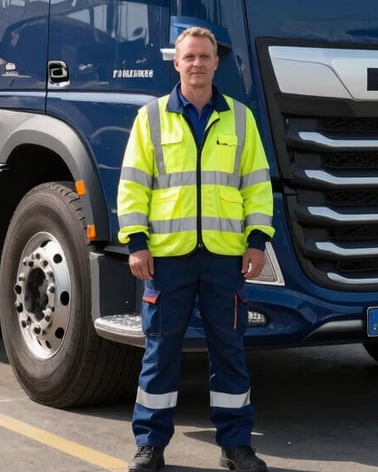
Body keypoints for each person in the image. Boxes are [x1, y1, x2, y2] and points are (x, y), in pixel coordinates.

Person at [117, 27, 275, 472]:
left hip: (225, 258)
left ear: (216, 63)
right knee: (160, 351)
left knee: (229, 350)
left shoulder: (240, 119)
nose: (197, 64)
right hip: (168, 259)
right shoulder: (151, 118)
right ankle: (150, 445)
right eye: (189, 57)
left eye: (204, 57)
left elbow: (257, 186)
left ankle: (236, 445)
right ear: (177, 63)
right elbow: (133, 186)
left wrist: (258, 240)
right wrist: (137, 243)